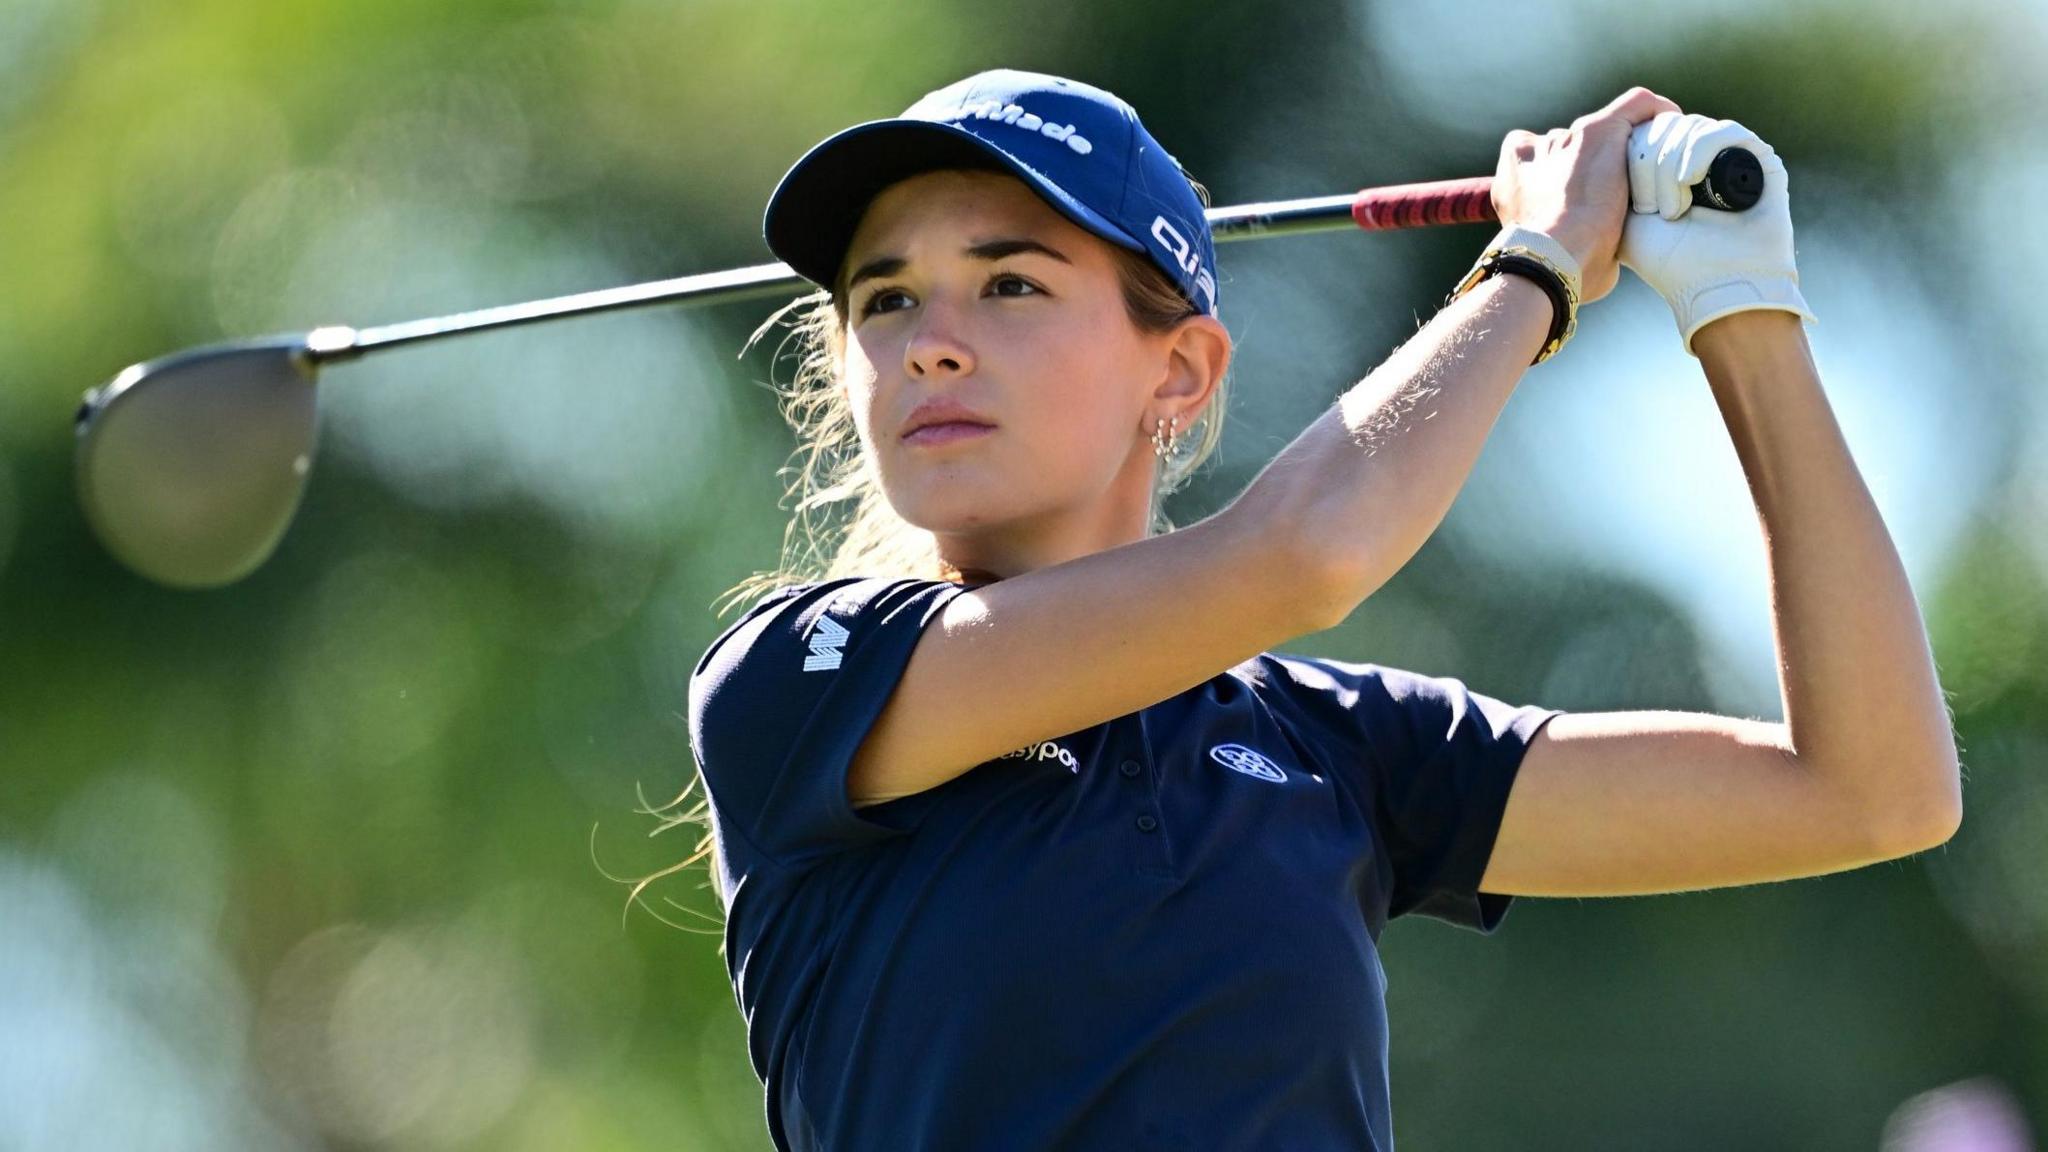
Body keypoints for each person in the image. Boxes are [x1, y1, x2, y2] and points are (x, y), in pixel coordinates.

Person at [673, 68, 1961, 1151]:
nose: (927, 343)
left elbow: (1874, 789)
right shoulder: (802, 681)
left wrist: (1741, 303)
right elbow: (1306, 554)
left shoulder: (1335, 747)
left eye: (1009, 284)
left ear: (1179, 370)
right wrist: (1535, 266)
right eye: (885, 298)